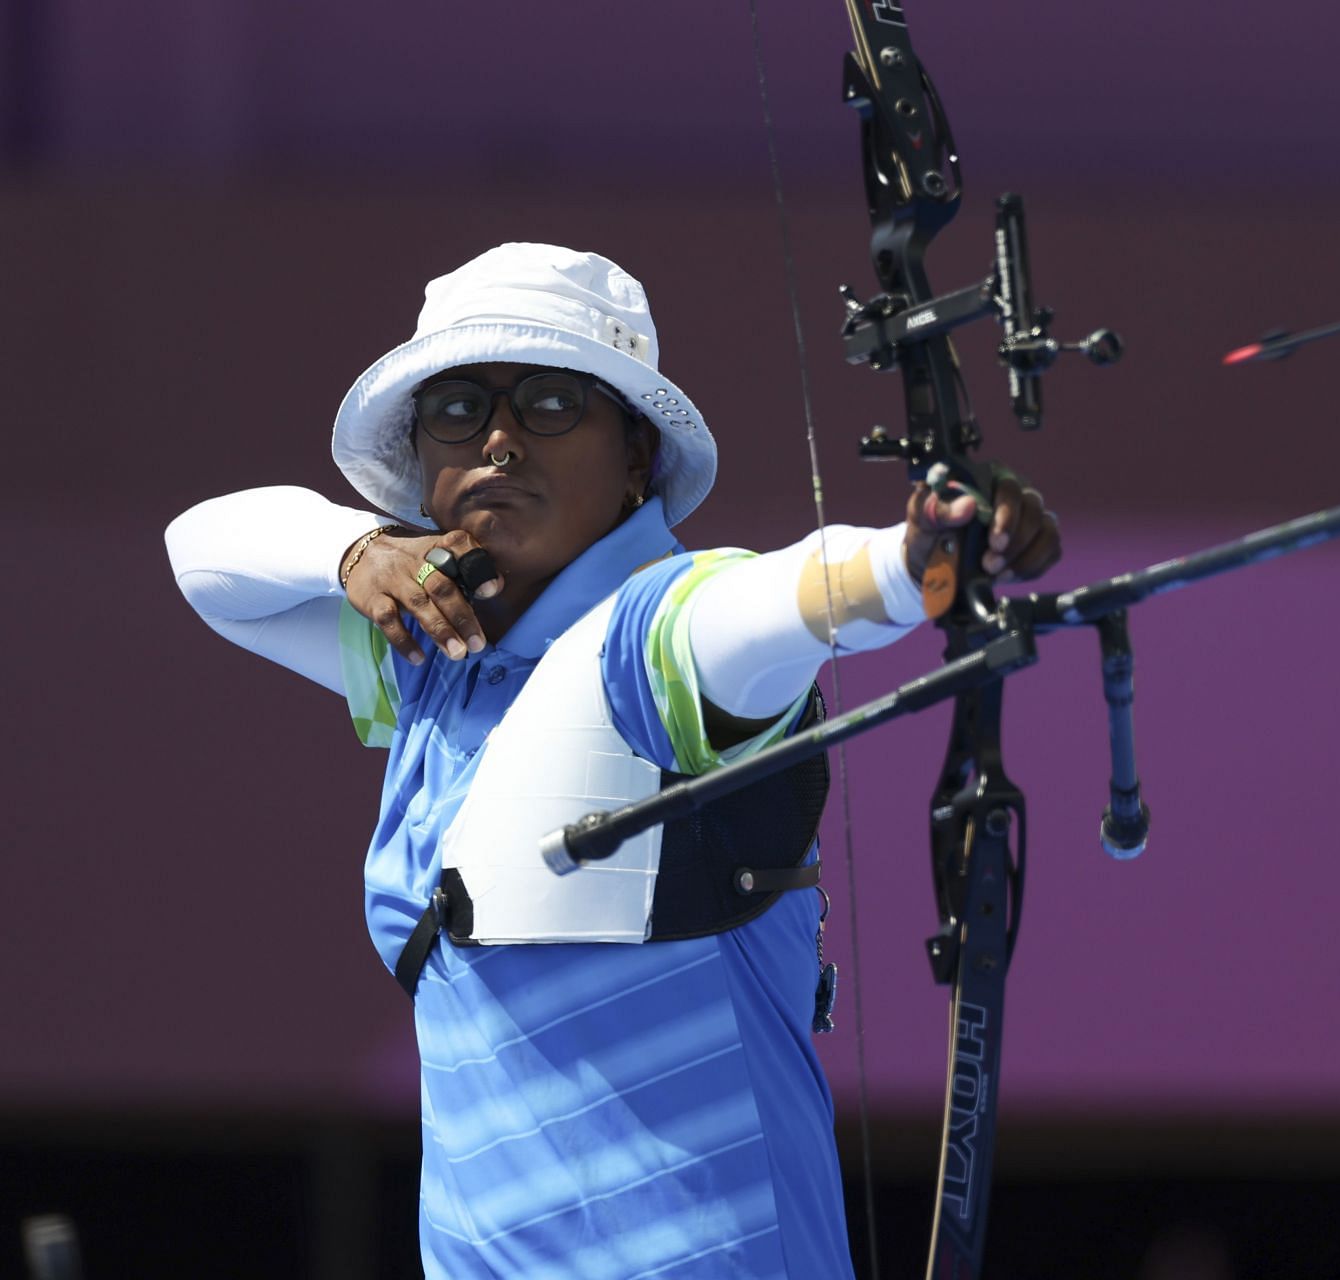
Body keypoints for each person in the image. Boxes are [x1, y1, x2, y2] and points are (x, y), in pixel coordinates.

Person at [164, 242, 1060, 1279]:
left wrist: (916, 561)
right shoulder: (430, 660)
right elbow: (204, 558)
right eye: (457, 409)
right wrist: (357, 550)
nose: (498, 439)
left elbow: (778, 602)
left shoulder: (654, 634)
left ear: (636, 455)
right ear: (422, 464)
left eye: (549, 402)